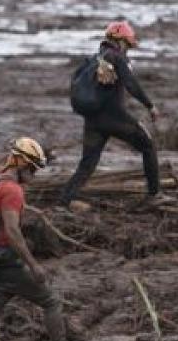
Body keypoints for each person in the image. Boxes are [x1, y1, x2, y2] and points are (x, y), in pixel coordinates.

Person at [0, 137, 76, 341]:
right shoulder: (12, 190)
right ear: (20, 163)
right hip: (9, 266)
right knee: (51, 301)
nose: (34, 174)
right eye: (32, 168)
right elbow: (12, 230)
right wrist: (33, 265)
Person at [61, 20, 164, 210]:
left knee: (87, 163)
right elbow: (131, 84)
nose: (128, 50)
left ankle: (67, 198)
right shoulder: (117, 57)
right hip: (115, 119)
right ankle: (154, 195)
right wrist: (150, 106)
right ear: (122, 41)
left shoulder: (93, 59)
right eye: (128, 45)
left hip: (92, 121)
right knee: (148, 146)